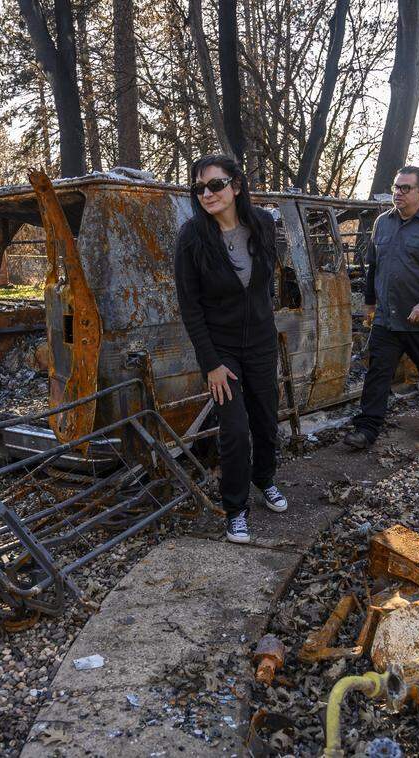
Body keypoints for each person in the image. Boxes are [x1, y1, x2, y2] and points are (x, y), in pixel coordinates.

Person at [173, 154, 288, 544]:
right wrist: (212, 363)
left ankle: (265, 479)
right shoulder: (191, 237)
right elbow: (190, 306)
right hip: (222, 352)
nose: (207, 193)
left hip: (259, 343)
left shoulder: (263, 225)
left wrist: (266, 333)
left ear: (236, 186)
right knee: (236, 431)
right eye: (199, 187)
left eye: (215, 185)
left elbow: (264, 287)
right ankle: (236, 509)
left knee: (266, 419)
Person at [343, 166, 419, 449]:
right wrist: (370, 302)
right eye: (396, 187)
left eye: (405, 188)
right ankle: (367, 429)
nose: (398, 193)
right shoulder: (383, 223)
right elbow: (374, 267)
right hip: (388, 317)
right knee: (378, 372)